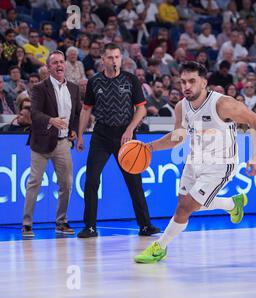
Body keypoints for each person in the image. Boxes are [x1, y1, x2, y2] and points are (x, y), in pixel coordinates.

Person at [134, 62, 256, 263]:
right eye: (183, 82)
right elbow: (177, 138)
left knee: (184, 208)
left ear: (204, 83)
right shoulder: (181, 106)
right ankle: (231, 203)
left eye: (192, 81)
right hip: (195, 160)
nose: (186, 86)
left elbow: (255, 120)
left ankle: (160, 247)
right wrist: (148, 147)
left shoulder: (223, 104)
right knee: (184, 202)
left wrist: (255, 157)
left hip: (220, 164)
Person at [76, 43, 160, 238]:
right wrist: (80, 135)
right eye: (110, 57)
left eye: (116, 57)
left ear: (121, 59)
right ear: (103, 60)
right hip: (101, 135)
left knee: (134, 182)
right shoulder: (94, 82)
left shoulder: (131, 80)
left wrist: (130, 129)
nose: (113, 61)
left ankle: (145, 225)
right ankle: (89, 226)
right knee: (91, 180)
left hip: (126, 135)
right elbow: (86, 109)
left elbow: (141, 109)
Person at [22, 50, 81, 238]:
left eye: (61, 62)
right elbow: (35, 114)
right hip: (41, 143)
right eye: (55, 62)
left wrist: (73, 129)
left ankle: (61, 222)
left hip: (63, 143)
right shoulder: (40, 87)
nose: (59, 65)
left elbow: (77, 113)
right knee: (34, 182)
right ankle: (27, 223)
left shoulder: (73, 88)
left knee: (67, 183)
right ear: (48, 68)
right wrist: (51, 120)